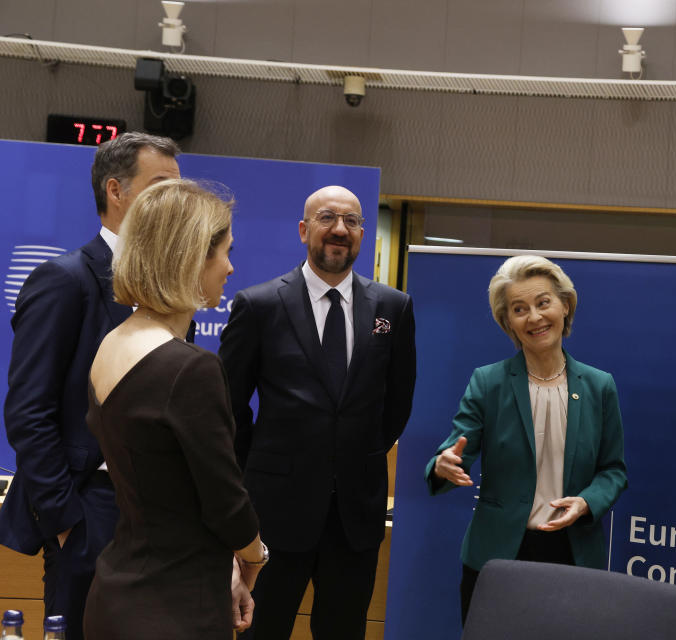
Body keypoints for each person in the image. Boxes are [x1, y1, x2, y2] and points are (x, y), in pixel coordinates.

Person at [0, 132, 180, 638]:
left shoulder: (166, 289)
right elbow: (28, 412)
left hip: (155, 512)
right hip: (88, 506)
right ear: (116, 190)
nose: (174, 200)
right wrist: (65, 519)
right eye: (161, 185)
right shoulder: (65, 280)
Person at [219, 185, 417, 639]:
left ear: (362, 234)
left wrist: (356, 452)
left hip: (356, 515)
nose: (340, 230)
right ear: (305, 230)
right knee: (261, 630)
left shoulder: (393, 307)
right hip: (273, 514)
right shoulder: (260, 304)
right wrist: (261, 466)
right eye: (328, 218)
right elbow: (228, 409)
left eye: (352, 221)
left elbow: (397, 402)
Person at [82, 179, 266, 639]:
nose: (229, 267)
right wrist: (252, 557)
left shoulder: (111, 344)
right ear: (189, 256)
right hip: (176, 609)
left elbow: (171, 494)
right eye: (223, 251)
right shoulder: (190, 368)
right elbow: (225, 502)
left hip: (115, 593)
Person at [426, 255, 628, 625]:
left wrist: (586, 502)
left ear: (565, 306)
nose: (534, 317)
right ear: (509, 324)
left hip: (573, 553)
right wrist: (443, 463)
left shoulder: (600, 386)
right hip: (498, 556)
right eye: (519, 309)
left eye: (543, 303)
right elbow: (455, 448)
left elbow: (613, 470)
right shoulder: (488, 382)